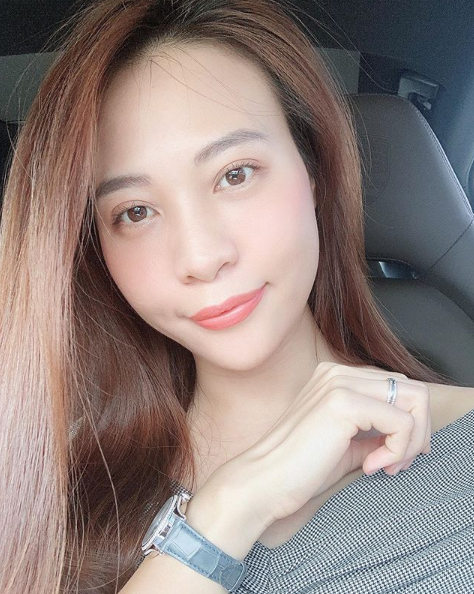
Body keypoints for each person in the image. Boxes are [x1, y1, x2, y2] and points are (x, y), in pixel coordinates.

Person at [0, 0, 473, 593]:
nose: (202, 257)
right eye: (136, 212)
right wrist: (227, 512)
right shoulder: (51, 504)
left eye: (235, 174)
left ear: (313, 172)